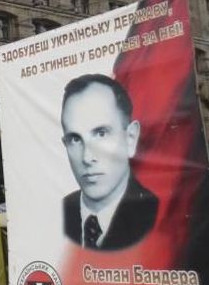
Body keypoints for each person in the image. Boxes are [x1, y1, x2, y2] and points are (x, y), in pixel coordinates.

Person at [60, 74, 159, 250]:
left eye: (101, 133)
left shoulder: (160, 215)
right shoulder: (58, 213)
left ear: (130, 138)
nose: (87, 158)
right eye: (75, 139)